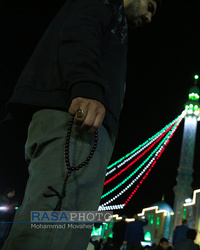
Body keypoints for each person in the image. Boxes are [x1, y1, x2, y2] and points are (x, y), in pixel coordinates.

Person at [0, 0, 161, 249]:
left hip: (82, 128)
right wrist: (87, 89)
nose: (149, 17)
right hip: (76, 123)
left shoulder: (116, 19)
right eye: (150, 6)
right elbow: (80, 31)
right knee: (52, 229)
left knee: (69, 228)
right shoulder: (106, 3)